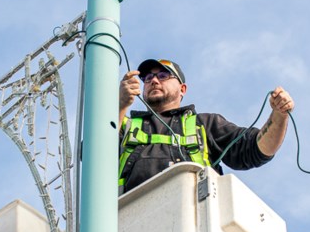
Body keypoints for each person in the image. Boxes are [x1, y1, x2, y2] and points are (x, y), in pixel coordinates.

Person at [118, 58, 294, 194]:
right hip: (129, 219)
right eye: (147, 78)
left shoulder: (205, 124)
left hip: (191, 219)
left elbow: (255, 149)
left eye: (163, 75)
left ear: (182, 89)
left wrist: (279, 114)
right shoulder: (124, 125)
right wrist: (120, 105)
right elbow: (96, 155)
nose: (154, 81)